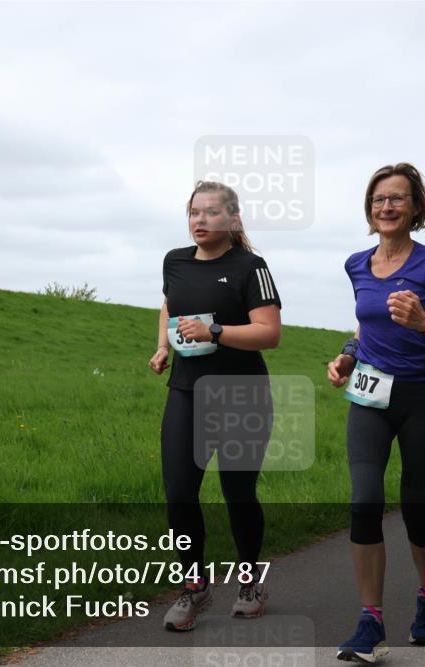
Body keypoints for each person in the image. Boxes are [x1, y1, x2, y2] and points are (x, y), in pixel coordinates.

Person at [326, 163, 425, 662]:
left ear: (415, 208)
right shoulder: (356, 264)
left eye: (398, 199)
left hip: (421, 399)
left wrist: (424, 320)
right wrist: (346, 354)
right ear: (369, 208)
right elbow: (365, 327)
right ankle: (371, 621)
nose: (387, 206)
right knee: (364, 501)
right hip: (370, 396)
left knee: (415, 509)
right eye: (379, 199)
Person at [149, 180, 282, 631]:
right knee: (180, 493)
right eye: (193, 213)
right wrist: (164, 347)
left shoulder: (251, 267)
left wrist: (217, 332)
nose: (199, 221)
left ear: (233, 219)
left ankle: (249, 581)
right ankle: (194, 587)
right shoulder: (175, 261)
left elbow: (270, 333)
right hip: (187, 393)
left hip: (241, 394)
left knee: (238, 494)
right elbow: (170, 306)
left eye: (209, 213)